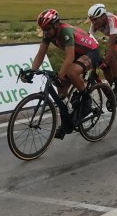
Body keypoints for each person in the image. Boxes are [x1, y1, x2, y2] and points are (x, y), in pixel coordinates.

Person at [24, 9, 102, 139]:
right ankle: (68, 120)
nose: (45, 32)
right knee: (60, 89)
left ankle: (86, 100)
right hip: (77, 53)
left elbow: (69, 57)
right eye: (43, 29)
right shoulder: (48, 33)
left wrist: (60, 76)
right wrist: (32, 71)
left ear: (55, 25)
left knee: (71, 72)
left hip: (90, 51)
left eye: (47, 29)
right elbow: (41, 53)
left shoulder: (65, 31)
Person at [86, 3, 117, 98]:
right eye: (92, 20)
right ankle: (112, 88)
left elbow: (111, 43)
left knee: (110, 55)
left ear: (104, 17)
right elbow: (89, 41)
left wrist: (107, 59)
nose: (94, 23)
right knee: (105, 65)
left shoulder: (112, 20)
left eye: (95, 19)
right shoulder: (94, 24)